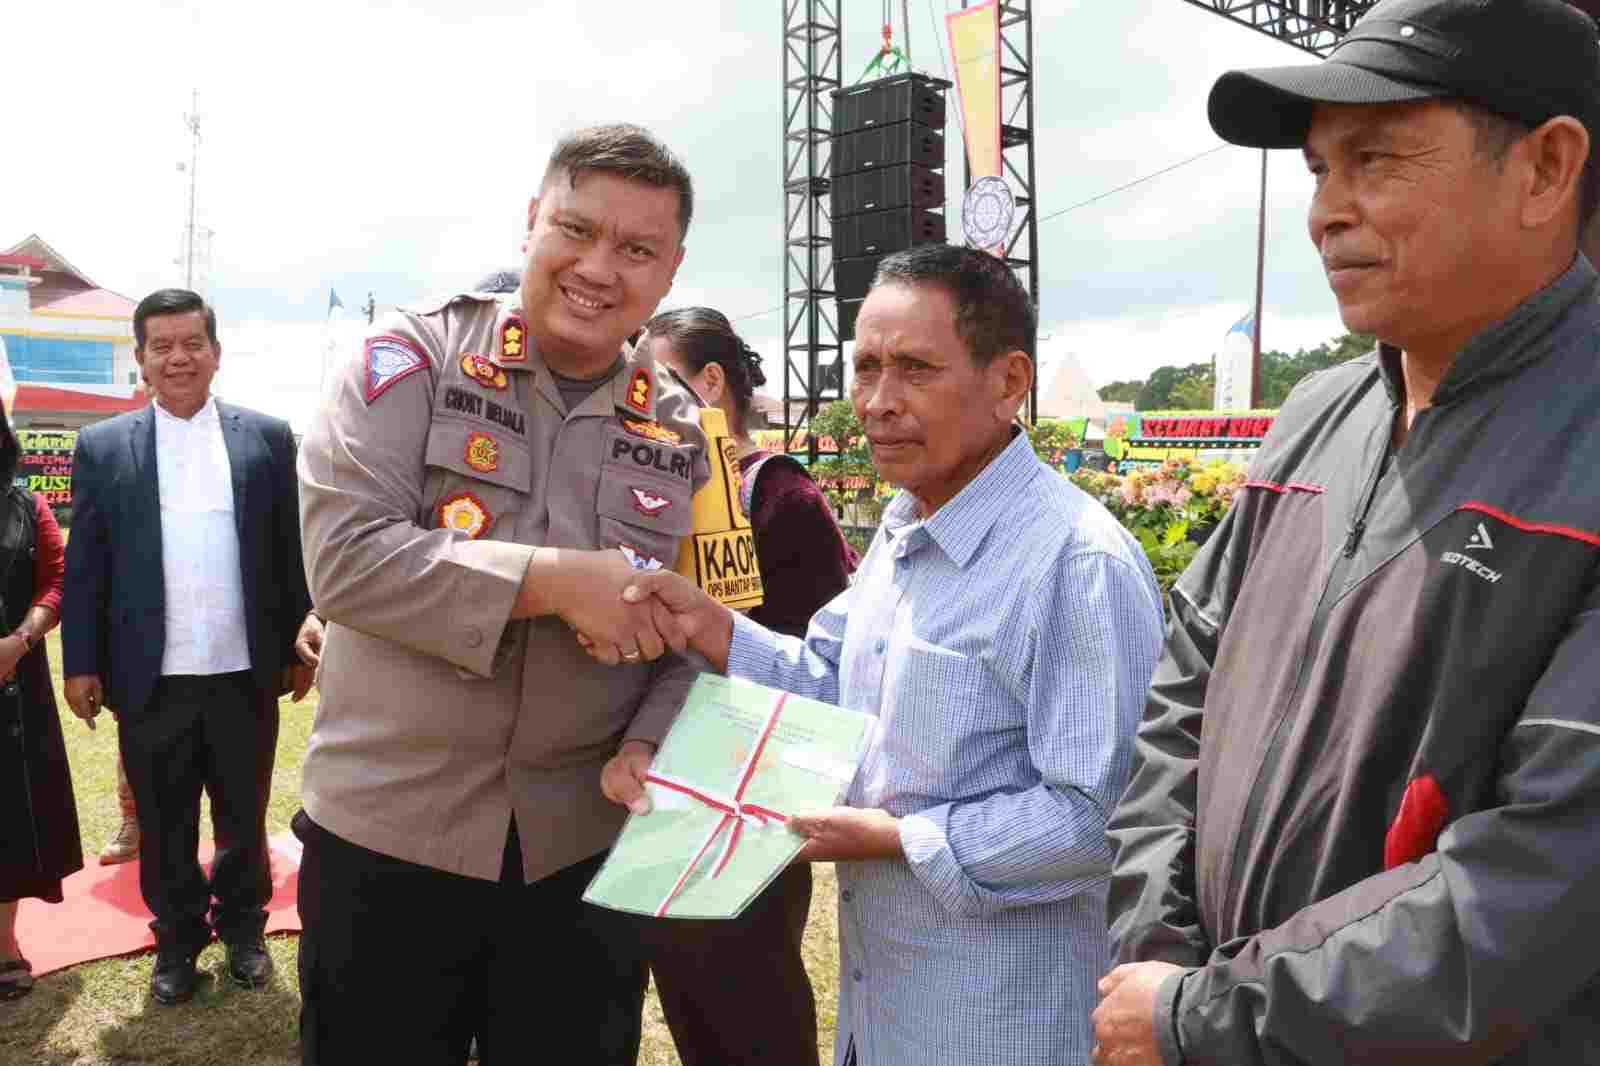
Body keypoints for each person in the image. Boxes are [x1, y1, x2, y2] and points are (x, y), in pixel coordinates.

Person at [1096, 2, 1600, 1063]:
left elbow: (1544, 882)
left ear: (1546, 170)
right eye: (1322, 168)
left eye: (1375, 159)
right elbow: (1179, 701)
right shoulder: (1314, 418)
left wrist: (1206, 1015)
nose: (1328, 209)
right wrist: (1163, 954)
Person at [600, 243, 1165, 1066]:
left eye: (915, 370)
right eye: (865, 368)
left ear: (1010, 383)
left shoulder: (1075, 564)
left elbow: (1095, 818)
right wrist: (708, 626)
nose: (877, 401)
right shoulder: (909, 524)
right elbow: (832, 676)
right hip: (886, 1008)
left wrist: (897, 839)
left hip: (1002, 1026)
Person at [294, 123, 709, 1066]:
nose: (600, 268)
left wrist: (651, 736)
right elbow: (347, 561)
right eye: (577, 230)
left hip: (583, 853)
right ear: (531, 222)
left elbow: (702, 631)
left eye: (637, 249)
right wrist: (557, 582)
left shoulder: (684, 429)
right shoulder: (408, 361)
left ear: (671, 271)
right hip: (392, 838)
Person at [614, 307, 856, 1066]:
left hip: (748, 787)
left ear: (709, 383)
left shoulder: (780, 493)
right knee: (687, 993)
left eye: (657, 379)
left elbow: (822, 657)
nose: (640, 399)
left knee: (752, 1003)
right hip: (662, 783)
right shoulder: (647, 485)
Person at [61, 288, 315, 1006]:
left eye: (191, 343)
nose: (178, 357)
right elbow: (87, 567)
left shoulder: (266, 438)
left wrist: (299, 643)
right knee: (166, 824)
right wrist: (81, 662)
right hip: (150, 679)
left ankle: (243, 932)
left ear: (216, 352)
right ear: (141, 360)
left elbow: (290, 551)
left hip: (242, 673)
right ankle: (175, 943)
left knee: (242, 817)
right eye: (161, 346)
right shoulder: (104, 446)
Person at [0, 412, 75, 1001]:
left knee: (9, 819)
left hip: (12, 684)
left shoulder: (28, 505)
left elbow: (56, 580)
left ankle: (4, 946)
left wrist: (21, 640)